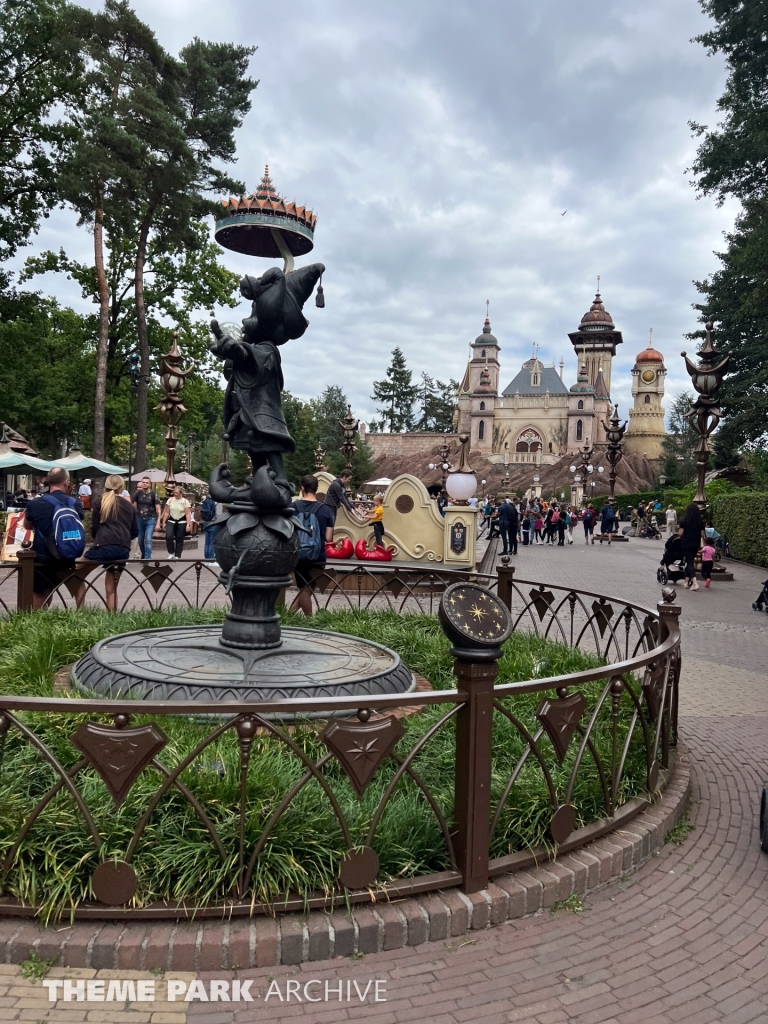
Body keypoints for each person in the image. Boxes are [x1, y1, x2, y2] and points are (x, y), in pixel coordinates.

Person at [23, 467, 86, 609]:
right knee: (74, 584)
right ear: (66, 482)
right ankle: (82, 616)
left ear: (47, 481)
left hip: (43, 558)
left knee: (40, 593)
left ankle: (37, 622)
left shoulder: (35, 504)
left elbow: (27, 526)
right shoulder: (74, 503)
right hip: (66, 556)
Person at [86, 475, 137, 612]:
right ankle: (112, 617)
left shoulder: (99, 502)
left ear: (106, 486)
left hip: (103, 545)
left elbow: (95, 527)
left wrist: (98, 540)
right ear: (122, 487)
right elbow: (135, 531)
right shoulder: (129, 506)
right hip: (122, 549)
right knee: (112, 588)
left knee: (76, 572)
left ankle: (80, 610)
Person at [290, 474, 335, 617]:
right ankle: (310, 620)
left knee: (304, 588)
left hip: (298, 554)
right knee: (308, 588)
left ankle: (289, 616)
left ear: (302, 488)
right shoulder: (326, 510)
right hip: (319, 555)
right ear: (316, 489)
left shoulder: (292, 508)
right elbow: (328, 538)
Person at [160, 485, 192, 559]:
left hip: (181, 521)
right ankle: (171, 552)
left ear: (180, 493)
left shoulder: (185, 501)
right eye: (174, 492)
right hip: (171, 520)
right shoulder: (170, 500)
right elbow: (167, 512)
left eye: (177, 493)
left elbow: (188, 514)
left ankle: (177, 555)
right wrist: (164, 522)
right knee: (169, 536)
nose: (175, 494)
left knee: (179, 538)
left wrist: (188, 525)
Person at [678, 502, 704, 591]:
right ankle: (686, 582)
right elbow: (702, 534)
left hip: (686, 542)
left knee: (689, 562)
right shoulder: (700, 522)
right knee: (690, 561)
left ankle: (695, 582)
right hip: (695, 543)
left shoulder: (684, 521)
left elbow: (680, 533)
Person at [133, 476, 160, 560]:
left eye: (146, 482)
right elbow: (134, 507)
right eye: (143, 482)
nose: (145, 484)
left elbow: (158, 509)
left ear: (149, 484)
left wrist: (158, 522)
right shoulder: (137, 494)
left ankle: (147, 558)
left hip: (151, 519)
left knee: (148, 539)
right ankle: (144, 554)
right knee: (140, 540)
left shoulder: (153, 495)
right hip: (140, 519)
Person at [199, 489, 220, 564]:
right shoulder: (217, 501)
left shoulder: (206, 500)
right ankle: (211, 560)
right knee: (212, 542)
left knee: (207, 542)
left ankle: (207, 559)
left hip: (206, 522)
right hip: (213, 522)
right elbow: (218, 514)